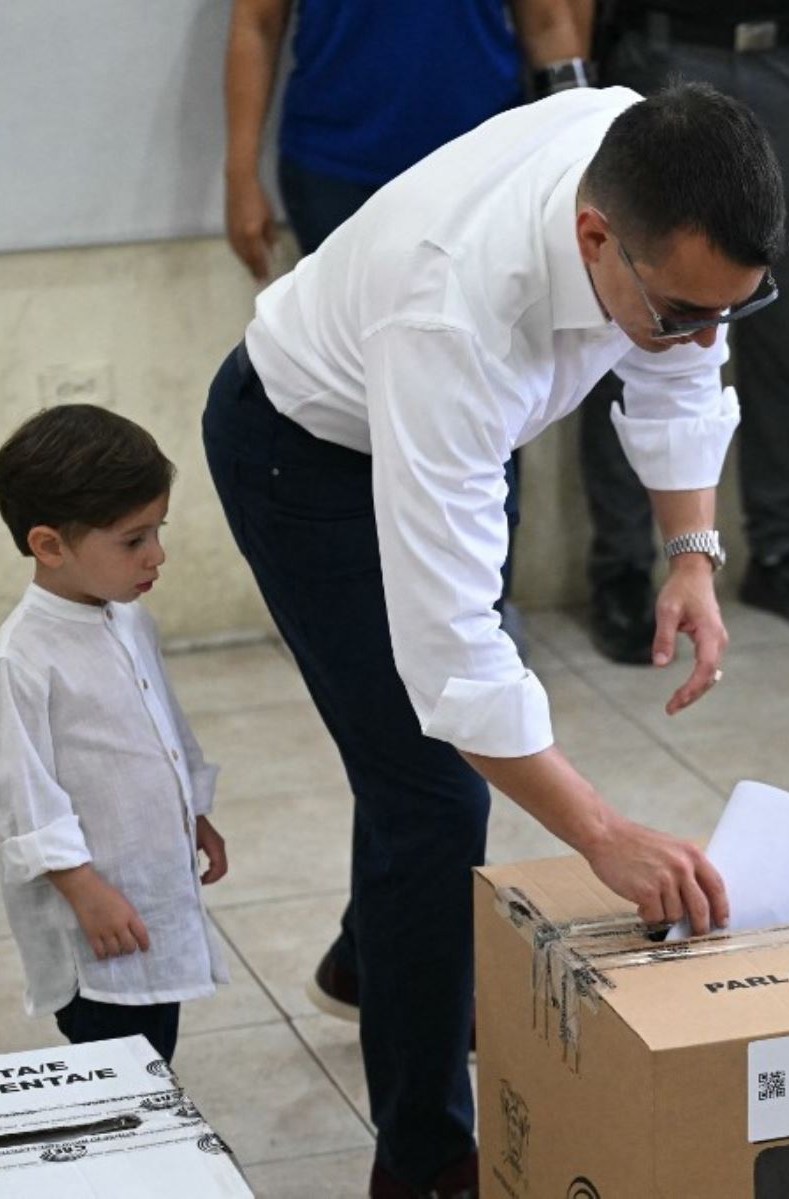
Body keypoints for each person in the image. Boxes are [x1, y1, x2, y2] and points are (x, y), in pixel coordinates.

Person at [201, 83, 782, 1198]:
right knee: (431, 788)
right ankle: (422, 1160)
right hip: (305, 456)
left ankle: (371, 959)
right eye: (678, 309)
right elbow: (454, 658)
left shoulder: (659, 168)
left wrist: (691, 554)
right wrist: (603, 835)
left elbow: (680, 365)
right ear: (594, 239)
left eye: (733, 311)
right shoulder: (453, 314)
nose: (703, 335)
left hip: (450, 428)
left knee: (423, 774)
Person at [221, 0, 593, 1026]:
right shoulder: (430, 310)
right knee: (424, 740)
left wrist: (577, 138)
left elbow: (555, 20)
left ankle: (369, 952)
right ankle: (413, 1039)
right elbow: (256, 24)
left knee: (439, 668)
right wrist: (239, 166)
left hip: (486, 165)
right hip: (342, 167)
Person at [577, 0, 789, 663]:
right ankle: (624, 566)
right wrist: (575, 85)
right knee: (632, 331)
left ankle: (781, 548)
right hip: (663, 59)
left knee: (784, 336)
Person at [0, 405, 229, 1067]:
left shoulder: (130, 618)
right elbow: (23, 799)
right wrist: (84, 888)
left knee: (154, 1052)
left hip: (150, 898)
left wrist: (194, 810)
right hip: (97, 924)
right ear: (50, 545)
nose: (157, 554)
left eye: (158, 530)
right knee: (117, 1069)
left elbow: (165, 725)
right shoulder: (18, 663)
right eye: (133, 539)